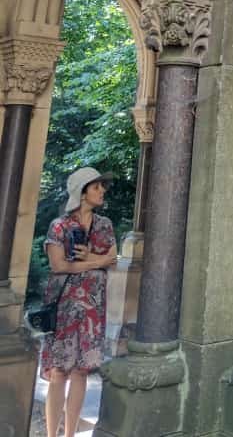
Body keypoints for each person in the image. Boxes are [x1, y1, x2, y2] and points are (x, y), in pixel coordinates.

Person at [41, 166, 117, 437]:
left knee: (81, 372)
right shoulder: (60, 225)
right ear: (82, 193)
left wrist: (88, 260)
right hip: (64, 307)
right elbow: (58, 265)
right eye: (96, 187)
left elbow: (114, 259)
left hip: (92, 310)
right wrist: (96, 262)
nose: (102, 191)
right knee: (59, 373)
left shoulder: (105, 224)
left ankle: (69, 434)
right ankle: (52, 434)